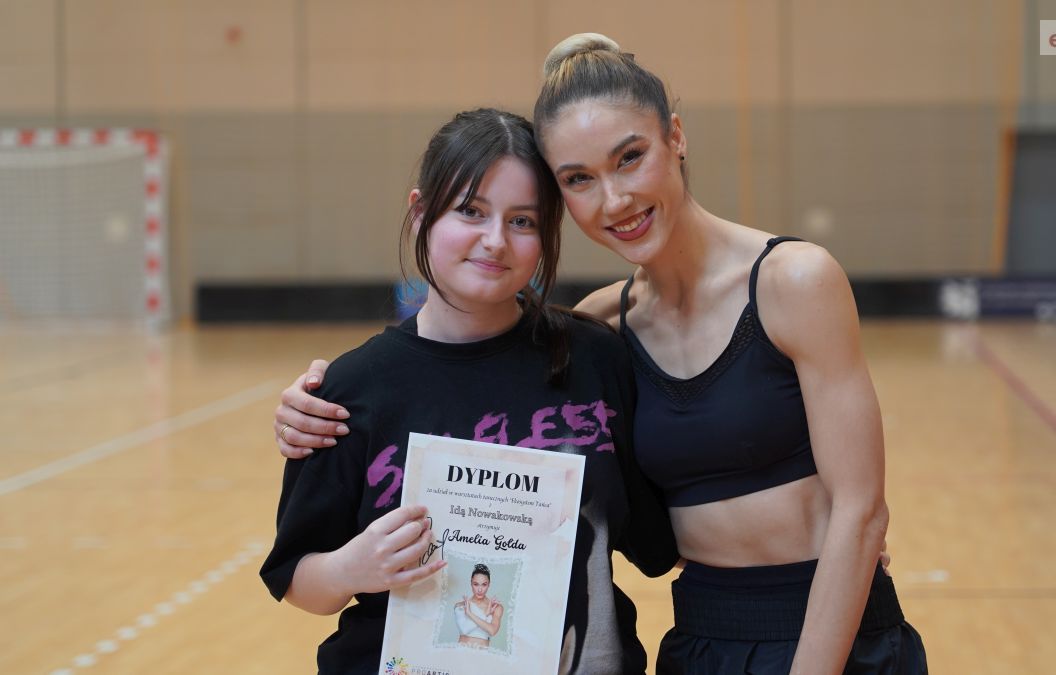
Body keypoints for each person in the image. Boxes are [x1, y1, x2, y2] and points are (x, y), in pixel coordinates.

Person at [276, 33, 924, 674]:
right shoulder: (599, 329)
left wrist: (835, 562)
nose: (614, 199)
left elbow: (858, 511)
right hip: (701, 637)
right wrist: (308, 409)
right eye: (579, 179)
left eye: (630, 157)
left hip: (825, 633)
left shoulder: (783, 284)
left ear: (676, 136)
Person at [260, 108, 677, 675]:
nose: (495, 241)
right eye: (471, 211)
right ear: (421, 212)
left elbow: (660, 541)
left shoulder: (595, 359)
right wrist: (353, 568)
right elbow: (295, 578)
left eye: (522, 221)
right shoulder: (350, 391)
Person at [453, 563, 504, 648]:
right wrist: (486, 614)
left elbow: (492, 631)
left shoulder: (496, 607)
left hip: (482, 653)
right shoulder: (460, 606)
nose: (480, 589)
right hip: (461, 652)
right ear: (471, 583)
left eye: (484, 584)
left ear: (489, 584)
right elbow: (464, 630)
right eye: (476, 584)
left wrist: (470, 614)